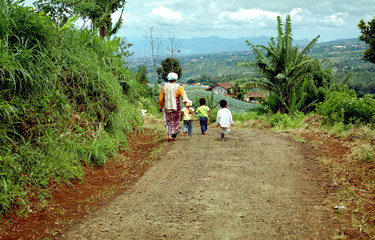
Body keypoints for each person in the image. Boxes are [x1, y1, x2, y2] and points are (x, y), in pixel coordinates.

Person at [159, 72, 190, 142]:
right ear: (176, 79)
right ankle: (174, 136)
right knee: (175, 121)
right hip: (175, 106)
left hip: (166, 105)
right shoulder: (179, 86)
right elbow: (184, 97)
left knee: (167, 120)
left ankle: (169, 135)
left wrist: (160, 107)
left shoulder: (164, 86)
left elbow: (161, 98)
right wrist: (187, 106)